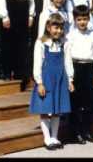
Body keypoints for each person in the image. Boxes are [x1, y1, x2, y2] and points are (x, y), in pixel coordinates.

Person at [29, 13, 73, 150]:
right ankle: (47, 138)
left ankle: (55, 137)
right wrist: (40, 82)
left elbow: (68, 62)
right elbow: (37, 63)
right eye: (55, 28)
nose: (58, 31)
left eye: (61, 28)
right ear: (48, 27)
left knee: (56, 109)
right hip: (46, 78)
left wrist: (70, 79)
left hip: (60, 78)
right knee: (45, 108)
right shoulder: (41, 42)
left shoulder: (64, 43)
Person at [66, 5, 93, 144]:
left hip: (89, 68)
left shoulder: (92, 34)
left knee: (89, 102)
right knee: (76, 103)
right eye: (79, 19)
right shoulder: (70, 35)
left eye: (85, 19)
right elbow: (67, 57)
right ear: (74, 20)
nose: (82, 22)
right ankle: (76, 132)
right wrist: (70, 78)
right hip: (76, 67)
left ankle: (87, 131)